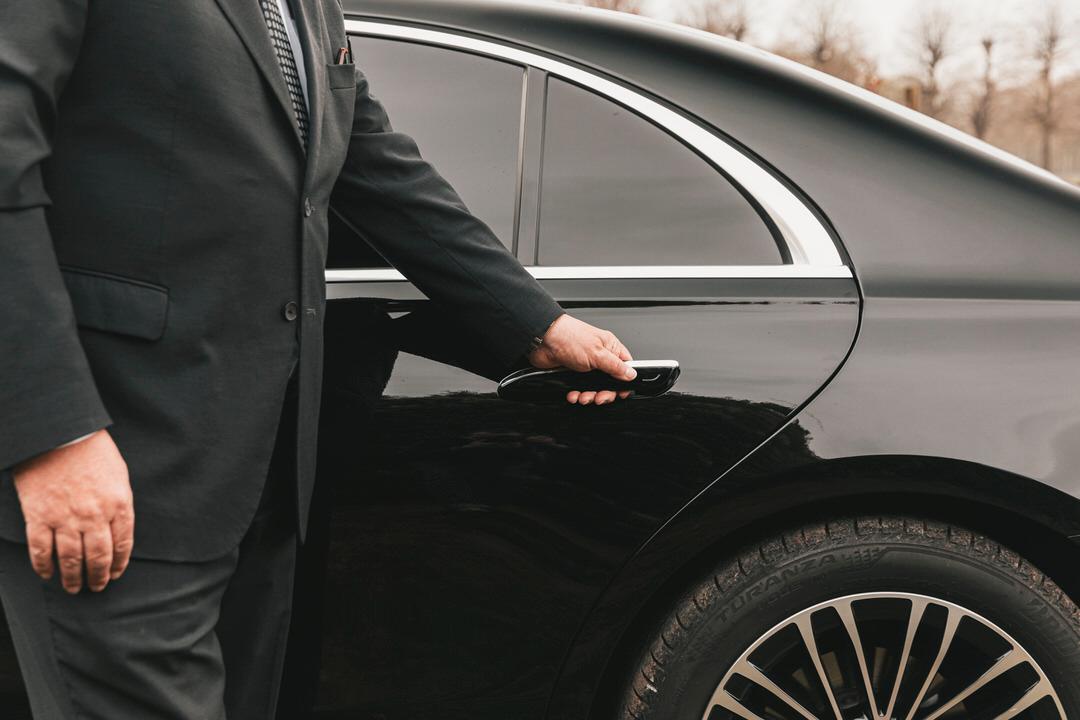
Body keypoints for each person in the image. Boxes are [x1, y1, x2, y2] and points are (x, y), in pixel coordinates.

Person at [0, 0, 636, 717]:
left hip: (263, 486)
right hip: (117, 462)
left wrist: (536, 321)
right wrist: (55, 433)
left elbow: (371, 162)